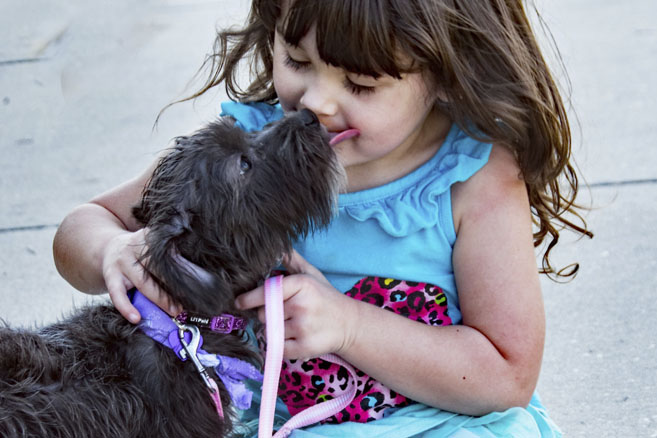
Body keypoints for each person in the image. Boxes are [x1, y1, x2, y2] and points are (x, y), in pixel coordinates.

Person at [53, 0, 593, 436]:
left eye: (359, 84)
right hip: (268, 421)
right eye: (297, 60)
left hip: (428, 423)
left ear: (446, 74)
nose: (316, 102)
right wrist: (109, 251)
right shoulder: (254, 147)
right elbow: (87, 221)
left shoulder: (472, 180)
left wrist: (350, 326)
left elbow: (506, 375)